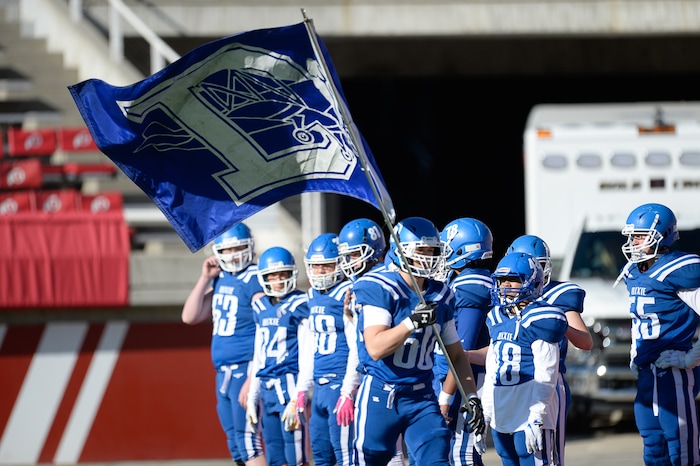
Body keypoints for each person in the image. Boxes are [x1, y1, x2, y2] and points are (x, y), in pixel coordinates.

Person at [351, 216, 485, 466]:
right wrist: (410, 323)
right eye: (421, 250)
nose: (429, 256)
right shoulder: (381, 287)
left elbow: (456, 355)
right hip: (382, 394)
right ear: (401, 251)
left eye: (433, 250)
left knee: (436, 459)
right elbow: (376, 347)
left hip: (421, 397)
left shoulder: (441, 294)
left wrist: (472, 397)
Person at [617, 202, 700, 466]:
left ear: (661, 235)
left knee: (681, 450)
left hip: (673, 371)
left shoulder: (679, 269)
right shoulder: (634, 271)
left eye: (640, 235)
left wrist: (691, 358)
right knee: (653, 447)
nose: (633, 241)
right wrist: (635, 352)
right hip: (647, 373)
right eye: (632, 235)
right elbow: (637, 320)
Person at [181, 223, 266, 466]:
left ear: (250, 248)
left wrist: (253, 377)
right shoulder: (222, 279)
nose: (234, 255)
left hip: (245, 367)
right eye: (228, 250)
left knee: (250, 441)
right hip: (224, 372)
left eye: (239, 248)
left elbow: (267, 329)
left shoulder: (255, 278)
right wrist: (205, 278)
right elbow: (189, 316)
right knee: (236, 443)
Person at [506, 234, 592, 466]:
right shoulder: (504, 297)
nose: (534, 272)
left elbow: (585, 342)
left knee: (546, 457)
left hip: (547, 385)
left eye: (538, 265)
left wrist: (558, 323)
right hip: (510, 384)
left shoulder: (558, 295)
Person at [481, 251, 569, 465]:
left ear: (532, 282)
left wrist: (537, 414)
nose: (505, 286)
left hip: (529, 410)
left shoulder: (540, 317)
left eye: (513, 280)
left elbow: (547, 372)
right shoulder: (496, 317)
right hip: (504, 410)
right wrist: (487, 413)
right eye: (502, 280)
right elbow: (492, 370)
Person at [435, 217, 494, 466]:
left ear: (461, 251)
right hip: (454, 378)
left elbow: (462, 351)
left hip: (464, 382)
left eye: (446, 249)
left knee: (462, 456)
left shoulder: (471, 285)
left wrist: (445, 396)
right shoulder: (464, 281)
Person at [296, 233, 358, 466]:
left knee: (346, 457)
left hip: (339, 386)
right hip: (320, 389)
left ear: (340, 264)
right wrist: (303, 388)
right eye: (316, 266)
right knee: (321, 456)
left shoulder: (348, 293)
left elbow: (356, 347)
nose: (321, 272)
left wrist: (347, 390)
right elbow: (310, 344)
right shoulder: (312, 295)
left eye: (326, 266)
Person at [245, 246, 311, 466]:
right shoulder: (260, 305)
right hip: (267, 387)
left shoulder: (300, 304)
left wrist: (298, 396)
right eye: (273, 276)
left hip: (288, 385)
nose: (279, 280)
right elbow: (258, 353)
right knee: (274, 453)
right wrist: (253, 395)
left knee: (296, 456)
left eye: (283, 274)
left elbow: (306, 352)